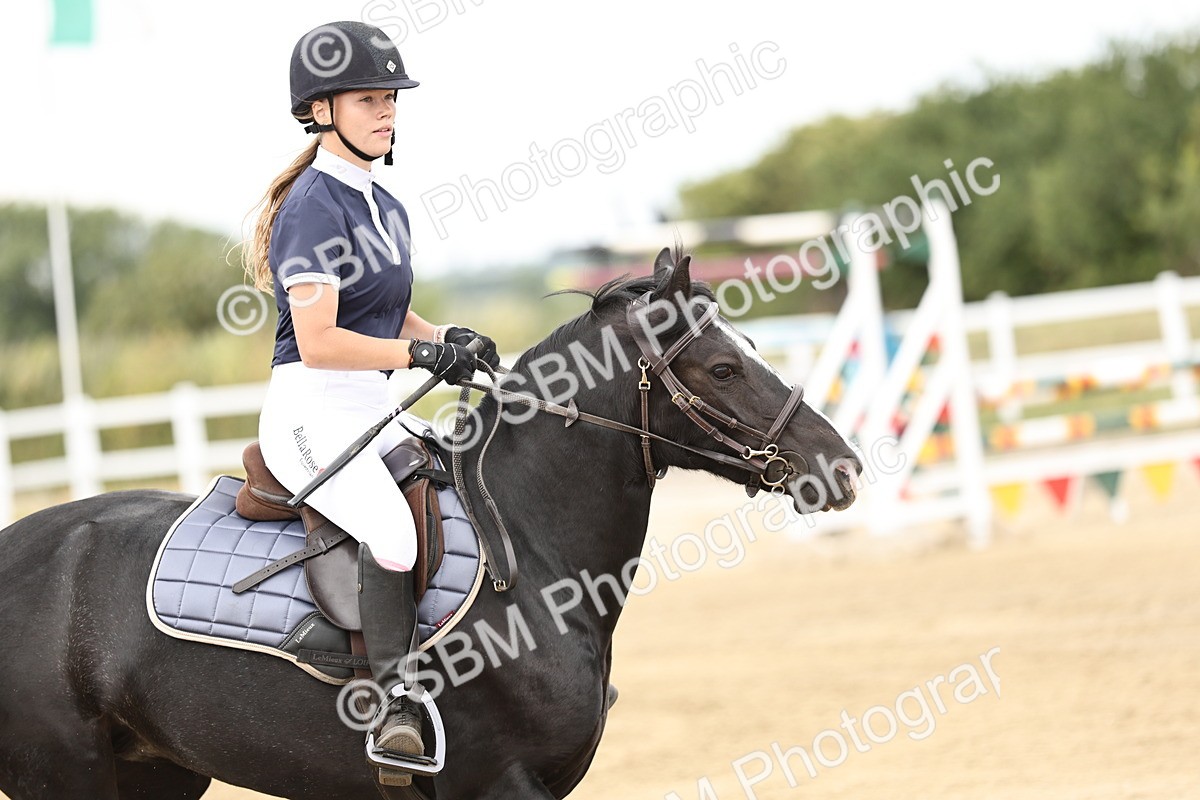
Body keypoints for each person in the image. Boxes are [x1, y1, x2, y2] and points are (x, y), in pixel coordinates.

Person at [241, 20, 499, 761]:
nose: (386, 112)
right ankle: (394, 704)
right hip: (311, 411)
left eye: (391, 98)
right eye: (368, 100)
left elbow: (386, 310)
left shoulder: (385, 205)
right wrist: (415, 352)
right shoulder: (314, 205)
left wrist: (445, 336)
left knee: (462, 485)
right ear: (321, 110)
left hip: (369, 404)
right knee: (391, 532)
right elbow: (320, 341)